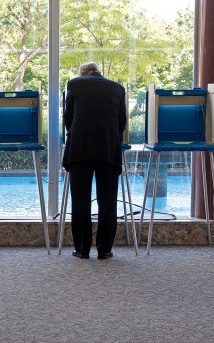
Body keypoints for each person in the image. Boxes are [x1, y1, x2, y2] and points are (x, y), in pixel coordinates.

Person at [62, 62, 127, 260]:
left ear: (82, 73)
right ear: (99, 72)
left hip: (80, 148)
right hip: (108, 149)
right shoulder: (117, 88)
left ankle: (82, 250)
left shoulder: (74, 84)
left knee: (80, 200)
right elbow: (121, 122)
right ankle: (104, 249)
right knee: (107, 201)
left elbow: (68, 119)